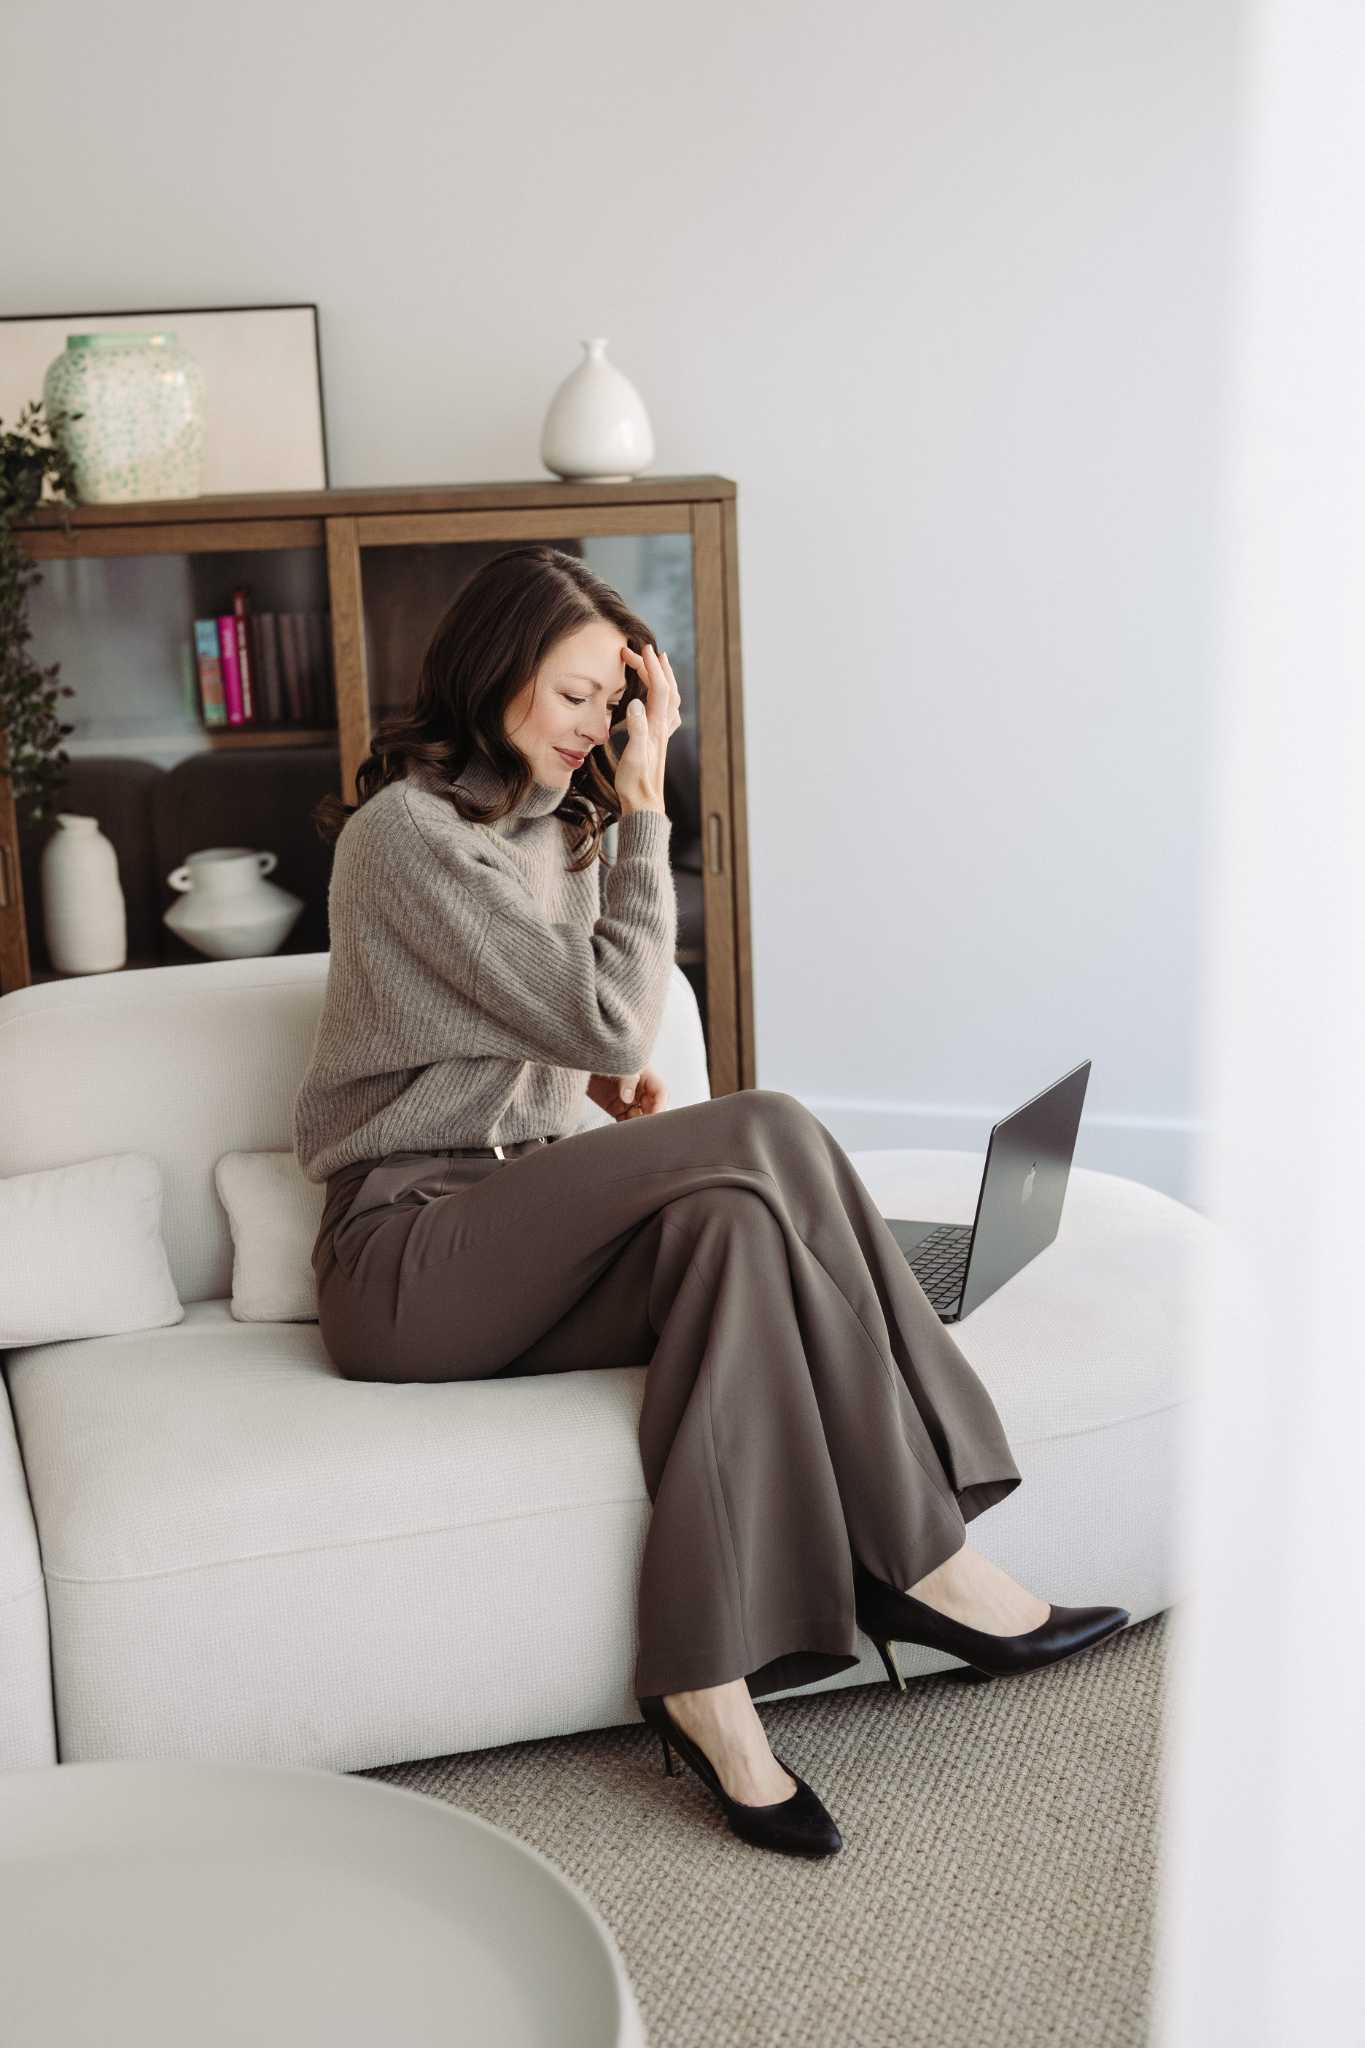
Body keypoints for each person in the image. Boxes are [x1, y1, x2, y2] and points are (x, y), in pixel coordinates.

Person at [294, 544, 1129, 1860]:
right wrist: (646, 811)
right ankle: (925, 1555)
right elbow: (620, 1013)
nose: (598, 735)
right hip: (405, 1260)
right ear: (496, 671)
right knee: (769, 1126)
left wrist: (587, 1113)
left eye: (616, 713)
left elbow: (556, 1062)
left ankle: (706, 1690)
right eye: (577, 698)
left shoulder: (542, 839)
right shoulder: (407, 833)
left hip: (507, 1229)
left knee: (738, 1231)